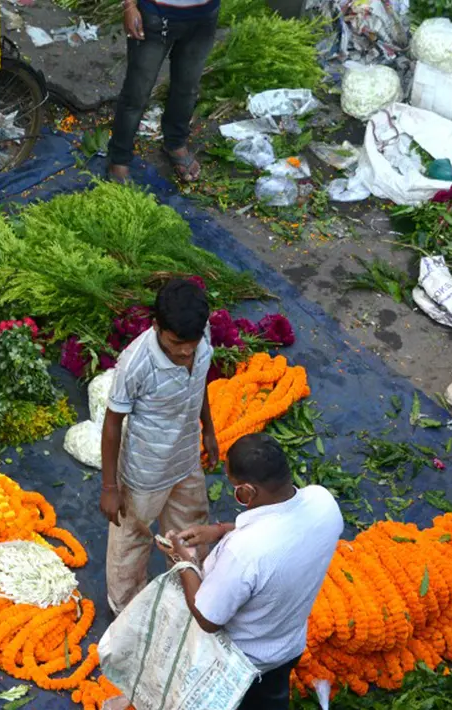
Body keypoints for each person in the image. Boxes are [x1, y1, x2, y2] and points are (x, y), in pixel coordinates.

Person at [157, 433, 343, 710]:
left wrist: (183, 562)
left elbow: (208, 619)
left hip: (242, 663)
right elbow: (280, 530)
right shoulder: (323, 502)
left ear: (248, 492)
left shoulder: (244, 553)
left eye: (234, 487)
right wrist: (219, 531)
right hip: (288, 647)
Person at [102, 278, 219, 614]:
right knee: (133, 537)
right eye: (176, 343)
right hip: (145, 470)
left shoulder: (202, 334)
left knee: (191, 526)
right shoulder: (136, 363)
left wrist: (207, 430)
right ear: (156, 327)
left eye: (191, 344)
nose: (185, 351)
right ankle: (125, 606)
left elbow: (199, 384)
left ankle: (192, 593)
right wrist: (110, 487)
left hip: (185, 460)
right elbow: (112, 424)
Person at [107, 0, 219, 183]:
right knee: (137, 92)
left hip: (204, 16)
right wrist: (129, 6)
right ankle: (119, 157)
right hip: (155, 15)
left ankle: (175, 143)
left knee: (187, 87)